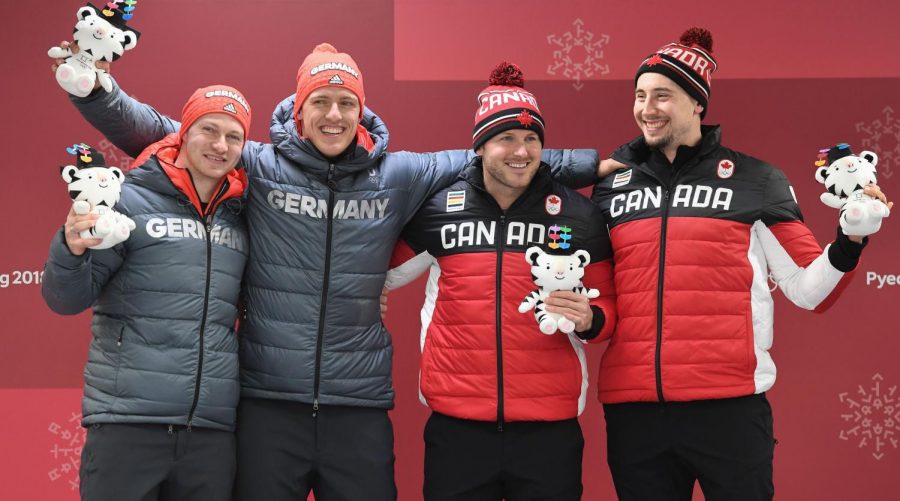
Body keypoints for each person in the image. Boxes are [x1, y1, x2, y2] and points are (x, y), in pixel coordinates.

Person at [51, 40, 602, 500]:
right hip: (269, 403)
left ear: (361, 110)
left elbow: (499, 152)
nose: (334, 115)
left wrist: (596, 163)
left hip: (356, 407)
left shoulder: (400, 173)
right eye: (321, 101)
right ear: (299, 109)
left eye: (346, 102)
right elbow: (163, 131)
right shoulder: (258, 162)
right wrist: (96, 90)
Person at [590, 27, 892, 501]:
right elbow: (600, 292)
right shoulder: (611, 185)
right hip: (634, 413)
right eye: (640, 95)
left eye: (663, 95)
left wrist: (851, 239)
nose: (647, 108)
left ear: (697, 104)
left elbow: (809, 290)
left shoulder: (756, 179)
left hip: (728, 411)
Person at [384, 63, 617, 501]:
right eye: (506, 138)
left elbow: (609, 316)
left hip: (549, 429)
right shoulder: (439, 208)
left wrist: (590, 319)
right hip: (458, 426)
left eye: (532, 139)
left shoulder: (577, 214)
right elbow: (381, 272)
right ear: (480, 146)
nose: (521, 151)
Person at [42, 85, 252, 501]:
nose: (219, 145)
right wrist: (70, 248)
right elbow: (65, 299)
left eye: (234, 136)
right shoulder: (127, 201)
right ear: (183, 133)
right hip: (127, 423)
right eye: (208, 129)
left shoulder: (244, 215)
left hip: (209, 432)